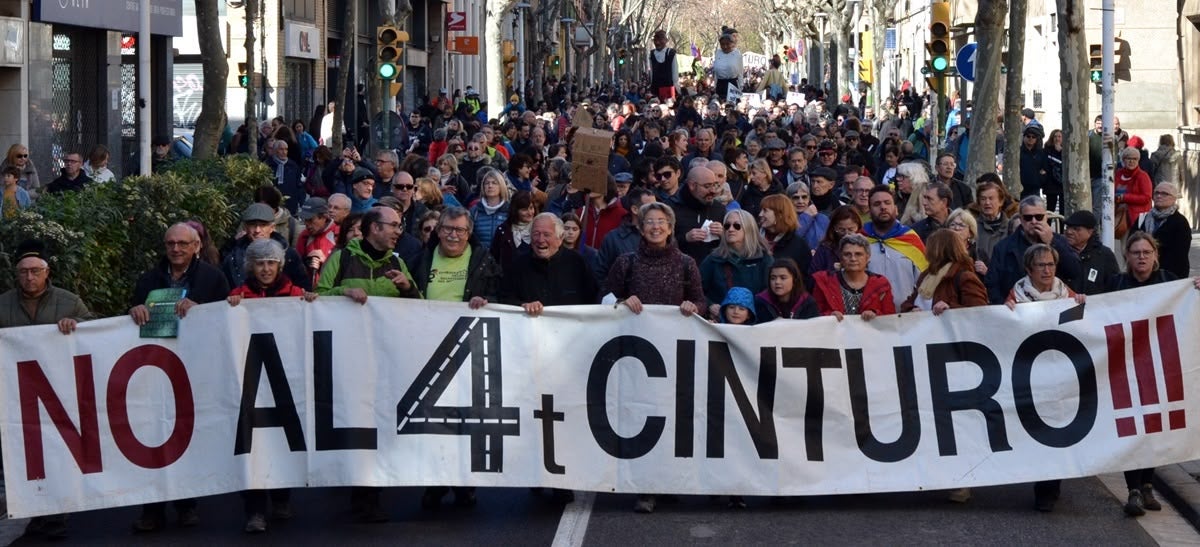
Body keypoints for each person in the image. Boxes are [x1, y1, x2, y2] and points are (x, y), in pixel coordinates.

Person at [315, 206, 419, 522]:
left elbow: (421, 308)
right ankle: (356, 486)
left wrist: (407, 288)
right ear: (374, 228)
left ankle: (370, 495)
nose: (398, 231)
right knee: (352, 420)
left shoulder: (398, 262)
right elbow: (317, 297)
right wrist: (344, 291)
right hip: (347, 357)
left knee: (379, 422)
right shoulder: (343, 258)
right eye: (393, 225)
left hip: (385, 358)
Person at [130, 223, 230, 532]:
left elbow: (227, 318)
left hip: (195, 370)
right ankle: (152, 508)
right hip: (156, 370)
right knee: (153, 438)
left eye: (183, 244)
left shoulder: (213, 278)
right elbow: (131, 316)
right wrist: (134, 310)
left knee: (187, 437)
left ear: (197, 246)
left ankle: (187, 504)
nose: (176, 249)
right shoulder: (148, 279)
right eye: (171, 243)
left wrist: (203, 311)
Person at [606, 202, 704, 515]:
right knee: (642, 420)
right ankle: (646, 488)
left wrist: (694, 308)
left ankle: (670, 482)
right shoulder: (626, 263)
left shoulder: (687, 263)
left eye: (661, 221)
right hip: (638, 358)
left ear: (671, 227)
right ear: (640, 226)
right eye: (649, 221)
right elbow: (606, 299)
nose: (656, 227)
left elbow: (701, 300)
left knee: (673, 419)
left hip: (675, 354)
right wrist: (623, 300)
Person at [411, 206, 499, 510]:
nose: (453, 234)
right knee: (431, 423)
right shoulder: (421, 259)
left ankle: (465, 483)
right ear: (438, 230)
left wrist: (487, 301)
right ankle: (435, 483)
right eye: (448, 228)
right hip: (426, 350)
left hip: (468, 351)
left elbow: (500, 297)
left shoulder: (484, 261)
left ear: (469, 233)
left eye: (460, 230)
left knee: (466, 420)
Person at [0, 240, 89, 539]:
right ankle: (32, 512)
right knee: (23, 456)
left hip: (58, 392)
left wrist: (75, 324)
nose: (29, 277)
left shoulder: (69, 301)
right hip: (16, 395)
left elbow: (92, 332)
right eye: (23, 272)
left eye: (35, 271)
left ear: (47, 272)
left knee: (56, 454)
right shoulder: (3, 304)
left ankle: (56, 516)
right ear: (16, 274)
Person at [224, 238, 315, 532]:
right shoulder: (239, 295)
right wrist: (231, 307)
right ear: (251, 265)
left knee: (282, 442)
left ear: (280, 265)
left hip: (285, 380)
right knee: (252, 448)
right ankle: (254, 511)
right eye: (260, 264)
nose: (265, 269)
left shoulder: (297, 294)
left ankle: (281, 500)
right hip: (250, 384)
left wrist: (312, 305)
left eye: (271, 263)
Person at [1107, 232, 1200, 515]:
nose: (1142, 257)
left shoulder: (1171, 283)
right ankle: (1133, 490)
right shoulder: (1114, 285)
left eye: (1146, 252)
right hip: (1125, 368)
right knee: (1130, 430)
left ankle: (1147, 484)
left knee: (1155, 427)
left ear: (1155, 255)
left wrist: (1196, 289)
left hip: (1161, 368)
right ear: (1127, 257)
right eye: (1135, 252)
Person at [986, 195, 1081, 305]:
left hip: (1055, 308)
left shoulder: (1060, 241)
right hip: (1018, 309)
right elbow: (992, 284)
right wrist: (1005, 306)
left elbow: (1075, 271)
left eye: (1039, 217)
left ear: (1046, 217)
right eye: (1028, 218)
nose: (1034, 221)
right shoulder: (1003, 247)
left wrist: (1052, 242)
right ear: (1021, 219)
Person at [861, 185, 927, 310]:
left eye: (887, 203)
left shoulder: (911, 239)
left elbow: (925, 281)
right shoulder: (860, 241)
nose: (883, 207)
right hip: (868, 315)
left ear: (896, 209)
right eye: (877, 204)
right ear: (869, 211)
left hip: (906, 315)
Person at [220, 203, 311, 291]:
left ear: (272, 227)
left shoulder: (289, 255)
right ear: (245, 227)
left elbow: (303, 288)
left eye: (263, 225)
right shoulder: (232, 255)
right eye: (252, 224)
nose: (257, 230)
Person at [700, 209, 773, 319]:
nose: (731, 229)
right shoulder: (713, 259)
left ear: (749, 229)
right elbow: (696, 291)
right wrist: (710, 305)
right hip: (719, 324)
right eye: (727, 226)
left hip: (757, 323)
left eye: (737, 226)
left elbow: (771, 294)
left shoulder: (764, 260)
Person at [900, 229, 988, 315]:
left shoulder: (964, 276)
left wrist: (950, 308)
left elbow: (979, 311)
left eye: (930, 247)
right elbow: (908, 303)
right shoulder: (926, 275)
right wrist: (911, 309)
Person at [811, 234, 896, 321]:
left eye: (858, 254)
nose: (853, 258)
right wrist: (829, 315)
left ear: (867, 257)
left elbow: (890, 318)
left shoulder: (881, 284)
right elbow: (814, 315)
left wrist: (875, 314)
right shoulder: (825, 281)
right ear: (840, 257)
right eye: (847, 254)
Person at [669, 164, 726, 264]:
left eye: (714, 185)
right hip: (681, 268)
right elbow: (661, 242)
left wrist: (723, 234)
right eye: (707, 186)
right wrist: (685, 238)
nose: (713, 191)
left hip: (714, 269)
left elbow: (735, 243)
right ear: (692, 185)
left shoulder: (719, 208)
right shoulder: (672, 208)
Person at [1135, 182, 1191, 279]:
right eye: (1156, 193)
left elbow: (1180, 254)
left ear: (1174, 198)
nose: (1159, 196)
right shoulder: (1143, 218)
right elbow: (1132, 243)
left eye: (1164, 193)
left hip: (1170, 276)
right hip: (1143, 275)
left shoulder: (1180, 222)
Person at [1058, 210, 1119, 296]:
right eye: (1067, 227)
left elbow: (1114, 286)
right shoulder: (1059, 251)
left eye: (1076, 229)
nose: (1069, 232)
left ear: (1090, 232)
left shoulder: (1104, 255)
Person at [969, 178, 1019, 266]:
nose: (987, 203)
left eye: (991, 198)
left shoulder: (1011, 227)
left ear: (1001, 202)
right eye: (983, 199)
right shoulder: (972, 226)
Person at [754, 258, 818, 321]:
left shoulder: (807, 303)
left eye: (783, 278)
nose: (777, 282)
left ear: (794, 280)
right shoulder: (761, 302)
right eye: (773, 278)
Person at [295, 197, 339, 285]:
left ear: (324, 217)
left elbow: (347, 268)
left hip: (332, 291)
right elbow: (296, 267)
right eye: (305, 220)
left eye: (310, 220)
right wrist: (306, 262)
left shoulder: (338, 234)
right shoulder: (304, 236)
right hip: (308, 292)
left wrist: (326, 261)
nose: (307, 224)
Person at [489, 189, 535, 271]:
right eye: (524, 209)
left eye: (531, 208)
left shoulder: (538, 228)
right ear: (515, 210)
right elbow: (494, 257)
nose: (530, 212)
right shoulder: (503, 230)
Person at [810, 205, 864, 274]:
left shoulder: (865, 246)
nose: (846, 234)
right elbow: (813, 275)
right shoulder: (825, 249)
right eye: (841, 230)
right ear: (833, 228)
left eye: (851, 229)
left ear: (858, 227)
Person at [1114, 146, 1153, 236]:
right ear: (1123, 160)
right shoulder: (1118, 174)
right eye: (1128, 158)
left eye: (1134, 159)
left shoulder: (1142, 176)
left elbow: (1147, 197)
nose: (1131, 161)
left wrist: (1125, 197)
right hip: (1120, 215)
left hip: (1136, 218)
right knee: (1124, 247)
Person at [470, 167, 511, 249]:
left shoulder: (510, 210)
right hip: (481, 257)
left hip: (503, 257)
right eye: (487, 183)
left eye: (494, 183)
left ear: (501, 186)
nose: (490, 186)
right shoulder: (475, 210)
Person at [788, 181, 829, 251]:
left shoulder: (822, 218)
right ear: (788, 200)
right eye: (795, 198)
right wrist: (807, 216)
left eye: (804, 197)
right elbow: (791, 239)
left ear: (809, 199)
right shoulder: (784, 219)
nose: (800, 201)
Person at [711, 34, 743, 101]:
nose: (725, 46)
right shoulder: (718, 53)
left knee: (732, 104)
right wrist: (715, 85)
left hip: (732, 83)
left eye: (727, 44)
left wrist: (741, 86)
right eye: (722, 44)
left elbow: (740, 71)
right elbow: (716, 72)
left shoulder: (737, 54)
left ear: (732, 44)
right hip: (720, 84)